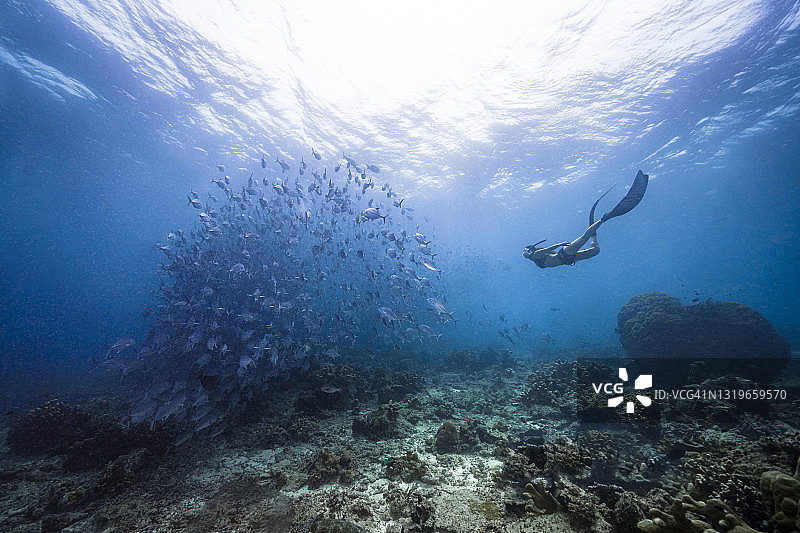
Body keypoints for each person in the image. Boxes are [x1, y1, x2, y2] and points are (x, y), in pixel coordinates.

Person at [524, 170, 649, 269]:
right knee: (596, 250)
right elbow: (547, 250)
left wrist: (561, 244)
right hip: (568, 260)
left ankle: (603, 219)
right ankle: (594, 235)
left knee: (584, 238)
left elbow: (548, 250)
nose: (529, 254)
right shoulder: (535, 258)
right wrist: (559, 245)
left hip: (564, 254)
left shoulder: (536, 255)